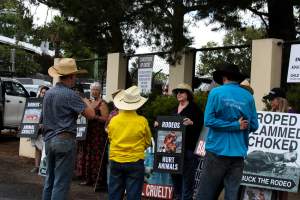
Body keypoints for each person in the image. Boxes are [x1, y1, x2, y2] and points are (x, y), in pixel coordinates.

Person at [196, 63, 259, 200]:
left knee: (205, 194)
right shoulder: (248, 96)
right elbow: (254, 125)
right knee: (232, 195)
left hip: (217, 152)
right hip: (238, 154)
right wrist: (238, 127)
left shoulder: (216, 93)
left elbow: (209, 121)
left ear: (224, 77)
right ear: (237, 79)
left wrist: (234, 125)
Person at [42, 58, 95, 200]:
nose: (76, 79)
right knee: (61, 183)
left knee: (50, 180)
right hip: (64, 140)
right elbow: (91, 115)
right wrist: (84, 100)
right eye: (75, 76)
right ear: (71, 77)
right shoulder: (71, 95)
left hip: (48, 140)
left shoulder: (48, 93)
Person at [158, 83, 203, 200]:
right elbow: (167, 128)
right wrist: (159, 125)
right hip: (173, 151)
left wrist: (192, 123)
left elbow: (202, 127)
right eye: (177, 92)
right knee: (176, 182)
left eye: (181, 92)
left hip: (188, 150)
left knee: (187, 183)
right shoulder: (173, 109)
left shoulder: (195, 109)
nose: (178, 94)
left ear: (188, 94)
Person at [107, 85, 151, 200]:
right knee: (134, 195)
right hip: (135, 160)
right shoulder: (142, 121)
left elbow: (111, 138)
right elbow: (147, 141)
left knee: (114, 194)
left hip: (116, 159)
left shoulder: (114, 120)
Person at [75, 82, 109, 188]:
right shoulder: (89, 102)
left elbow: (106, 119)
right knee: (87, 155)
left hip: (98, 135)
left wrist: (95, 117)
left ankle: (98, 181)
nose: (94, 91)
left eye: (96, 90)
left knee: (97, 158)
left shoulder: (102, 103)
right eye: (92, 89)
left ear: (100, 91)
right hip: (87, 133)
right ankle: (88, 178)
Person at [30, 85, 49, 173]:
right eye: (42, 93)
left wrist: (43, 124)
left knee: (44, 149)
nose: (43, 94)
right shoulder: (34, 102)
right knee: (37, 148)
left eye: (45, 93)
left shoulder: (50, 104)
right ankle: (36, 166)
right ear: (40, 93)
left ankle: (43, 168)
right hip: (35, 130)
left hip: (45, 131)